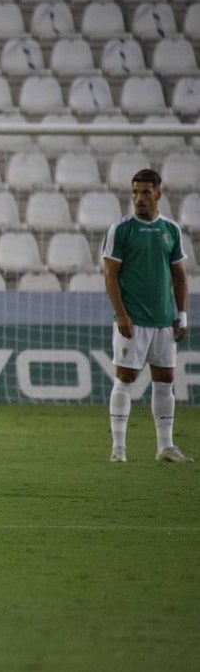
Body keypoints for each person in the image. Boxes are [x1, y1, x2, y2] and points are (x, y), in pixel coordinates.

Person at [102, 168, 191, 464]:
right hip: (133, 321)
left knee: (165, 381)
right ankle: (118, 448)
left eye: (144, 192)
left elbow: (179, 275)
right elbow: (110, 276)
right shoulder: (121, 230)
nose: (138, 198)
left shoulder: (171, 230)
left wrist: (182, 314)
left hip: (164, 321)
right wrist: (121, 314)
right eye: (135, 192)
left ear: (158, 194)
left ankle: (165, 447)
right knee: (125, 379)